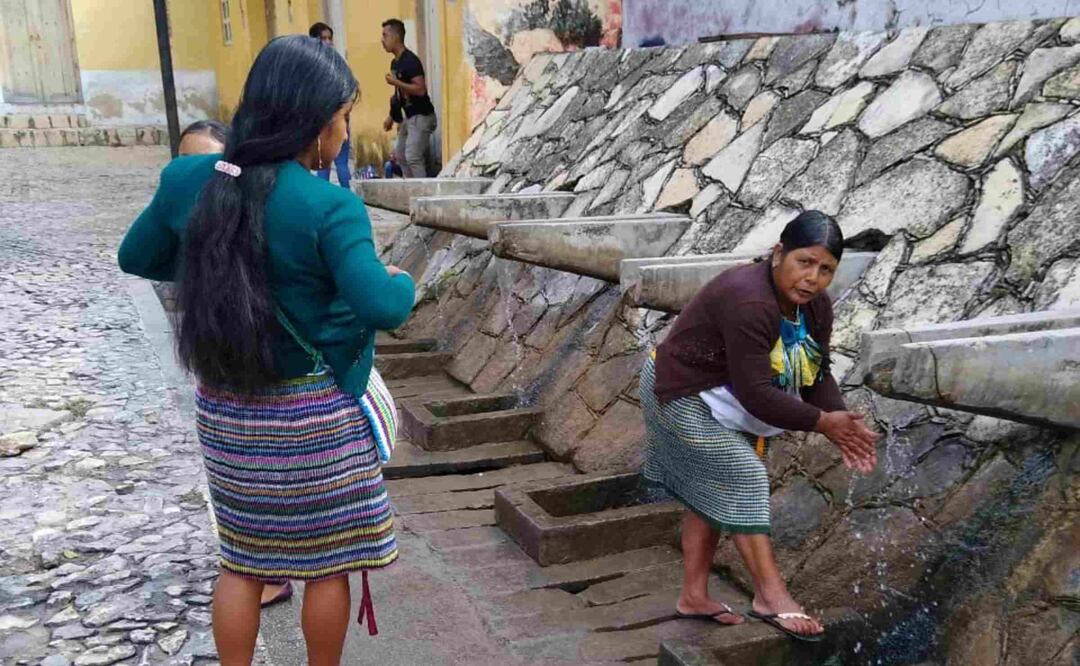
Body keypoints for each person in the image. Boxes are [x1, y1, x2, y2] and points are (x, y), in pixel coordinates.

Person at [118, 35, 415, 666]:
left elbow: (135, 257)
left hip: (227, 414)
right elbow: (383, 308)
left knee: (243, 561)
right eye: (342, 117)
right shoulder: (328, 206)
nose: (344, 130)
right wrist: (403, 281)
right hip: (314, 420)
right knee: (326, 566)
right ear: (312, 121)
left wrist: (220, 266)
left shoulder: (190, 179)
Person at [641, 211, 879, 642]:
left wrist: (840, 421)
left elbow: (816, 374)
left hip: (730, 401)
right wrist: (825, 423)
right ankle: (771, 597)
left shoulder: (814, 307)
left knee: (712, 487)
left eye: (826, 269)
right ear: (777, 254)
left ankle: (693, 597)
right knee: (744, 477)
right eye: (804, 262)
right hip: (683, 390)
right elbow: (756, 393)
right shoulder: (749, 300)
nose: (813, 278)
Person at [176, 119, 297, 611]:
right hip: (227, 394)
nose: (197, 171)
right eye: (186, 160)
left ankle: (272, 570)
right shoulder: (193, 216)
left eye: (209, 159)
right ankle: (269, 570)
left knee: (249, 554)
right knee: (248, 556)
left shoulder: (256, 216)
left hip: (264, 388)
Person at [381, 18, 437, 178]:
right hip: (409, 117)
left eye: (385, 35)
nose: (382, 40)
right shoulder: (395, 63)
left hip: (422, 116)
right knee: (400, 155)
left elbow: (420, 90)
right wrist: (391, 117)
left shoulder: (410, 61)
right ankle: (410, 191)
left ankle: (423, 194)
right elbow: (398, 93)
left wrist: (396, 82)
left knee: (413, 156)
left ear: (396, 37)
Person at [309, 22, 352, 190]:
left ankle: (344, 194)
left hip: (337, 117)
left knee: (338, 162)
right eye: (323, 38)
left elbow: (348, 90)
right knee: (323, 162)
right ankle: (332, 194)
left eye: (329, 38)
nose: (327, 42)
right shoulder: (320, 65)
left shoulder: (332, 63)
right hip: (323, 118)